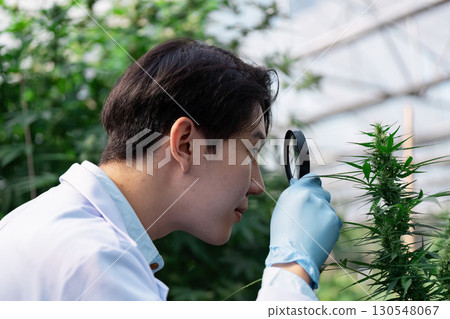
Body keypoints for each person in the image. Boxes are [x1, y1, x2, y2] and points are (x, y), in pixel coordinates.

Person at [0, 39, 341, 300]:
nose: (256, 183)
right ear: (185, 144)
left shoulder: (57, 226)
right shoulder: (92, 260)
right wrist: (292, 268)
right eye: (250, 150)